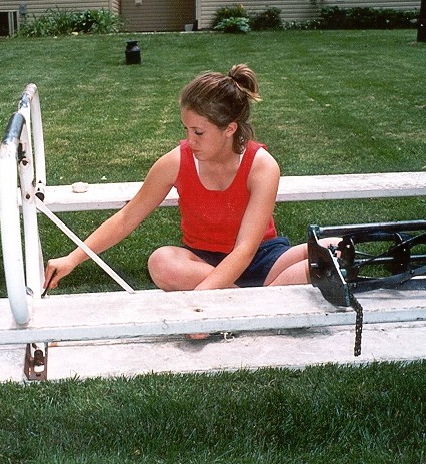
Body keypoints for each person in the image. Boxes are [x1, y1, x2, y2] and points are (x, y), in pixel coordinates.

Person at [43, 64, 328, 294]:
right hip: (201, 262)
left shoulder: (262, 166)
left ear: (230, 129)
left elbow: (245, 249)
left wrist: (200, 299)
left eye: (199, 132)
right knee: (162, 262)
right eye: (187, 129)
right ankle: (261, 301)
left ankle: (242, 303)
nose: (190, 140)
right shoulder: (176, 162)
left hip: (260, 258)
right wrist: (73, 258)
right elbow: (127, 218)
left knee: (332, 247)